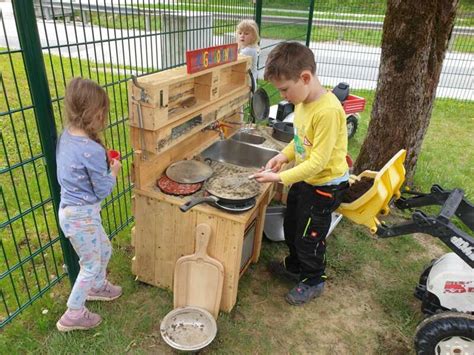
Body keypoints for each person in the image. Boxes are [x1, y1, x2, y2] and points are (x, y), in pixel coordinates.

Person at [253, 42, 349, 306]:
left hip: (324, 186)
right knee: (292, 224)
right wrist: (282, 157)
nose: (283, 96)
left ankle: (314, 279)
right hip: (306, 180)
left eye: (284, 89)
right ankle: (295, 266)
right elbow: (300, 142)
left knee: (310, 236)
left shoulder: (328, 111)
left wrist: (279, 177)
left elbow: (318, 162)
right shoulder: (303, 102)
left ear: (305, 78)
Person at [55, 77, 122, 331]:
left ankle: (96, 286)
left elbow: (78, 166)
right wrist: (113, 172)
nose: (104, 115)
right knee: (91, 262)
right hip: (81, 216)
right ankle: (73, 313)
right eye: (103, 111)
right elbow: (102, 189)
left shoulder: (67, 136)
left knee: (104, 249)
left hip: (73, 212)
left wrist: (99, 163)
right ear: (95, 112)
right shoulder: (92, 150)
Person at [236, 19, 260, 90]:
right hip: (250, 81)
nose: (242, 36)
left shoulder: (248, 50)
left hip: (248, 83)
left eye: (246, 34)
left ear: (254, 36)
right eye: (240, 33)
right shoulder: (250, 47)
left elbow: (237, 61)